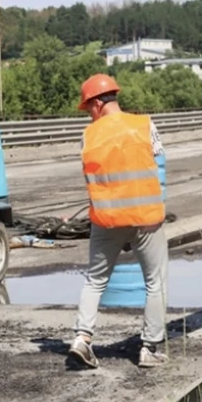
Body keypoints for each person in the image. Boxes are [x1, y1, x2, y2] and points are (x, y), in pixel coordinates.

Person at [67, 73, 169, 369]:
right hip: (146, 217)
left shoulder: (89, 136)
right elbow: (160, 168)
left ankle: (82, 339)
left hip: (106, 218)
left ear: (98, 103)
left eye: (88, 109)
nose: (89, 115)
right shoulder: (144, 124)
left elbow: (89, 177)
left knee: (95, 280)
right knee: (156, 282)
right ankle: (149, 349)